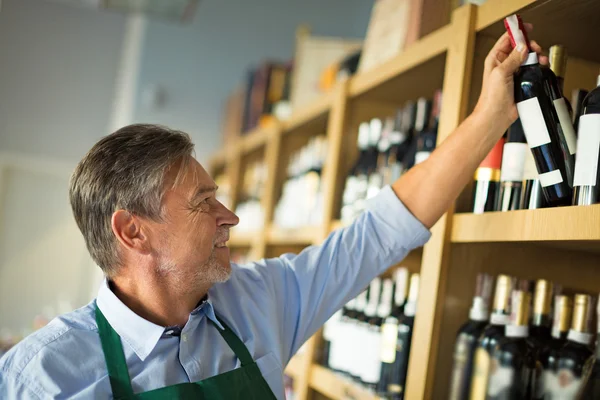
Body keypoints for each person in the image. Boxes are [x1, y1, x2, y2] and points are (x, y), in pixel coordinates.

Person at [0, 32, 545, 399]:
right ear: (132, 231)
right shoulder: (42, 376)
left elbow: (379, 230)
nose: (229, 216)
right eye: (202, 202)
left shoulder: (260, 301)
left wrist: (489, 116)